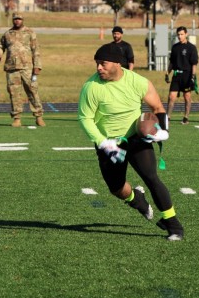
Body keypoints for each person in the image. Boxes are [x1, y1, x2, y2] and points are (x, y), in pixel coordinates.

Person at [78, 43, 184, 241]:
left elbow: (158, 107)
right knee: (116, 188)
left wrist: (163, 131)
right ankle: (137, 200)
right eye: (97, 64)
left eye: (103, 63)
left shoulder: (138, 81)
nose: (98, 68)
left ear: (117, 64)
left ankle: (173, 223)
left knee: (151, 177)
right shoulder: (91, 87)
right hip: (109, 143)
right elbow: (85, 119)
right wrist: (103, 143)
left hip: (136, 139)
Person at [0, 13, 45, 127]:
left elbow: (36, 50)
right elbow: (0, 46)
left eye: (19, 19)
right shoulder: (7, 34)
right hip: (12, 68)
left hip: (27, 68)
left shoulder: (30, 33)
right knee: (14, 93)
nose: (17, 21)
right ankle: (17, 118)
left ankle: (38, 116)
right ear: (13, 20)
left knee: (32, 91)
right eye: (15, 19)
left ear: (22, 20)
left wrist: (37, 66)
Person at [165, 26, 198, 125]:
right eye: (178, 34)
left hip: (187, 75)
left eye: (182, 34)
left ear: (186, 34)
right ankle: (168, 117)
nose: (180, 36)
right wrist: (167, 73)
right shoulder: (175, 47)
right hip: (176, 75)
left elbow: (194, 64)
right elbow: (172, 62)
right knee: (171, 96)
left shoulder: (191, 48)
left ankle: (186, 117)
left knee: (187, 96)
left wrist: (193, 77)